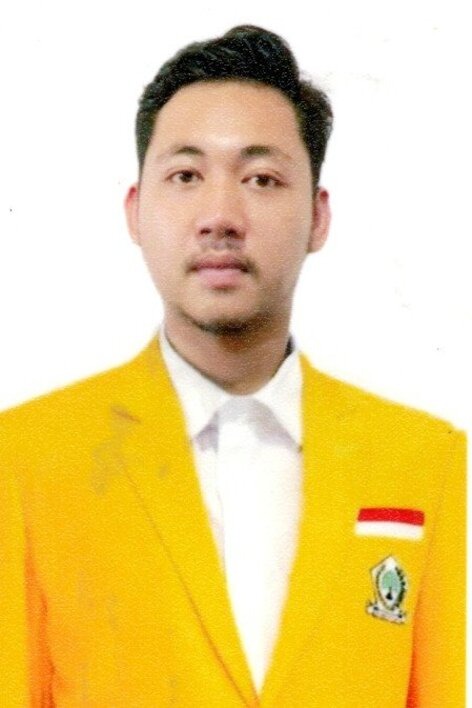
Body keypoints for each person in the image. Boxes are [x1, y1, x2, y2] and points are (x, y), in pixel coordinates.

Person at [0, 25, 465, 707]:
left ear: (317, 217)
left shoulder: (427, 462)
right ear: (137, 211)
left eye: (261, 179)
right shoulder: (26, 458)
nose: (220, 216)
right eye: (186, 176)